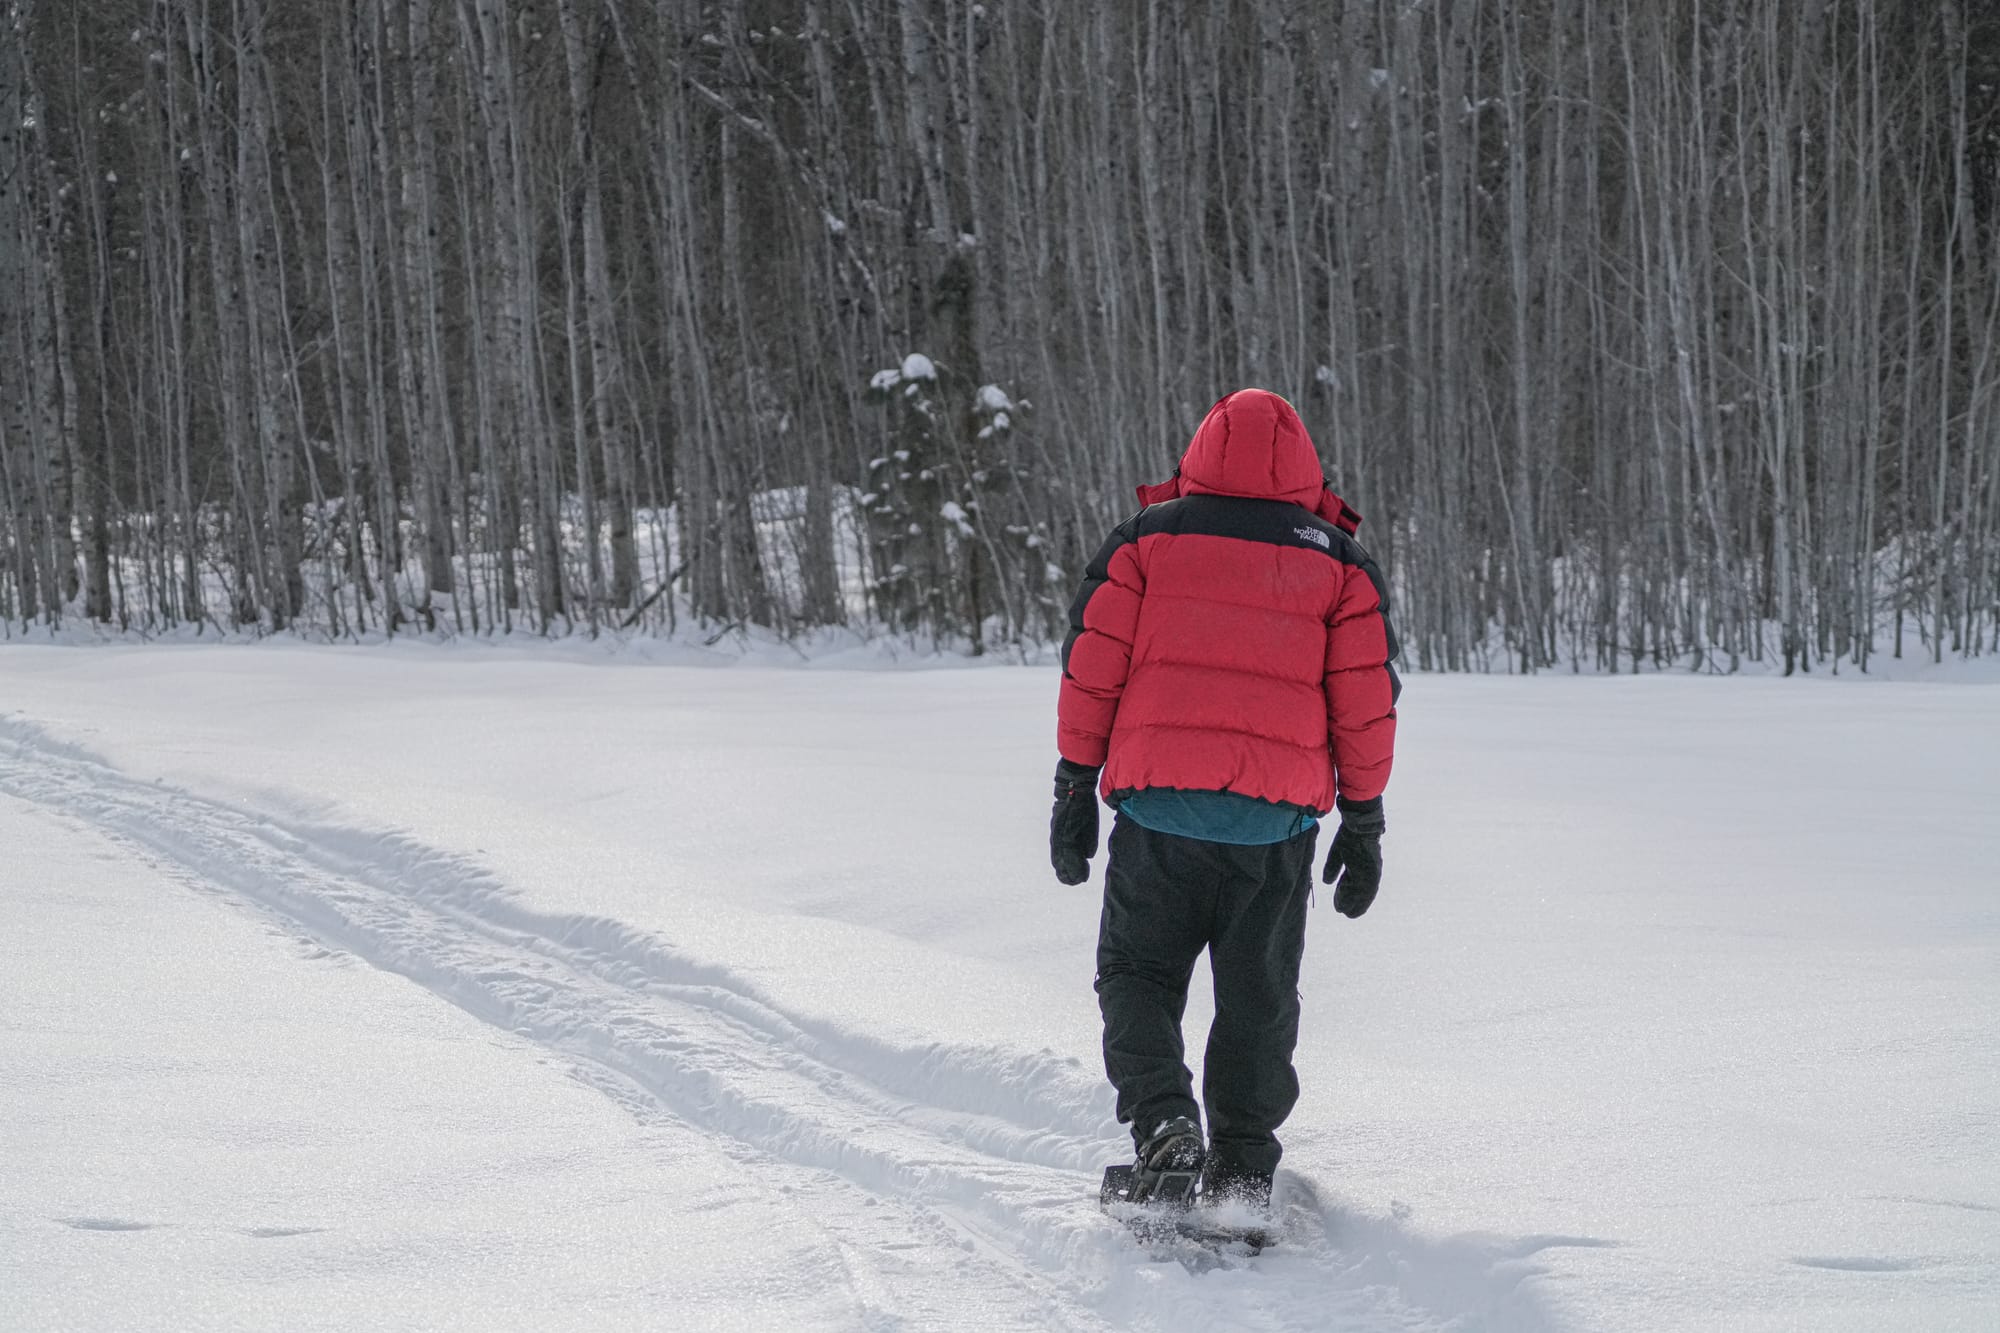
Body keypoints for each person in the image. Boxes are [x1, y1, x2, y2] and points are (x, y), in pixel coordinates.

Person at [1050, 387, 1400, 1217]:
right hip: (1273, 834)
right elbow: (1364, 700)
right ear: (1306, 470)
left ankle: (1166, 1123)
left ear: (1201, 451)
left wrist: (1073, 782)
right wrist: (1365, 816)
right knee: (1259, 997)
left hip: (1158, 818)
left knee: (1136, 974)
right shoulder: (1341, 562)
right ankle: (1242, 1170)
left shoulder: (1146, 541)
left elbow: (1091, 666)